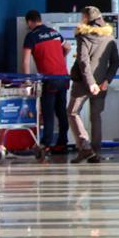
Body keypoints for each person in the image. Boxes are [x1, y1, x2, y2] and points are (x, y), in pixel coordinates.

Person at [68, 7, 119, 164]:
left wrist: (90, 83)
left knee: (72, 112)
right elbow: (116, 62)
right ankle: (95, 153)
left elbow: (83, 62)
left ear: (86, 18)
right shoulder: (109, 37)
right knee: (95, 117)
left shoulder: (83, 37)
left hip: (82, 83)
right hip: (102, 84)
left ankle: (85, 148)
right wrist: (106, 81)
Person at [22, 10, 71, 150]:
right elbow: (67, 47)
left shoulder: (31, 36)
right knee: (61, 111)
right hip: (63, 76)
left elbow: (25, 61)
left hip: (49, 78)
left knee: (48, 111)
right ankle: (62, 143)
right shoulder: (54, 32)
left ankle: (46, 144)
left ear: (29, 22)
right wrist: (61, 57)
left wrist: (27, 81)